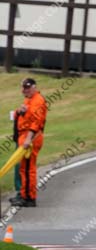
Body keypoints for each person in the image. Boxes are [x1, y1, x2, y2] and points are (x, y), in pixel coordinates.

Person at [11, 78, 47, 207]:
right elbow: (22, 115)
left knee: (27, 169)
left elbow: (36, 122)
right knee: (24, 168)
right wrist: (19, 111)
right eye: (23, 87)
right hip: (24, 135)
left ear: (34, 87)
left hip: (31, 137)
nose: (24, 90)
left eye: (27, 87)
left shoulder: (38, 101)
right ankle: (24, 195)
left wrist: (28, 139)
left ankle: (29, 198)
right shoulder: (29, 100)